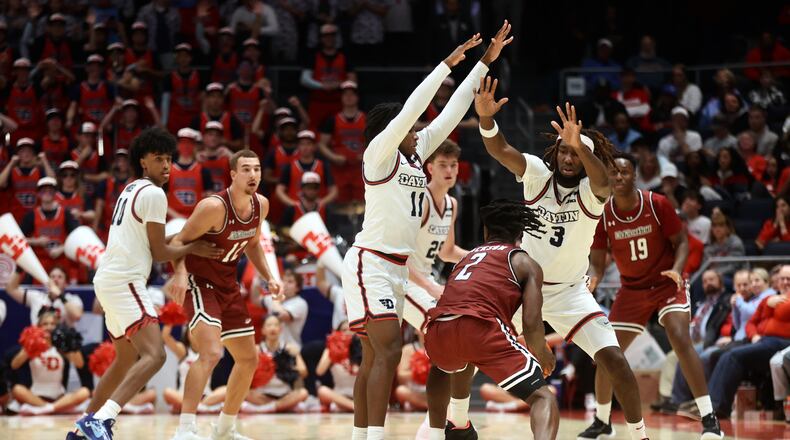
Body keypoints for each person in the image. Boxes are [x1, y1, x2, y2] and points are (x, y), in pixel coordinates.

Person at [341, 24, 507, 440]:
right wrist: (445, 64)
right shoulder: (378, 156)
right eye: (412, 131)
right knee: (389, 351)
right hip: (372, 263)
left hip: (401, 269)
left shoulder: (415, 158)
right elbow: (412, 111)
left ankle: (373, 435)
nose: (419, 134)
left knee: (379, 354)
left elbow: (452, 111)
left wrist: (485, 60)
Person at [476, 88, 648, 437]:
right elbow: (500, 149)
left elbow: (604, 182)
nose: (568, 159)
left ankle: (639, 434)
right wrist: (486, 119)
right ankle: (455, 420)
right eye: (564, 151)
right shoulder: (537, 175)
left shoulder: (591, 191)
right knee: (469, 346)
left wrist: (582, 145)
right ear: (555, 153)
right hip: (523, 289)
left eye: (575, 153)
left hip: (571, 292)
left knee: (614, 359)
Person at [70, 128, 222, 440]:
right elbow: (160, 253)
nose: (166, 166)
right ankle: (101, 420)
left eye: (169, 160)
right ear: (143, 161)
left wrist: (183, 240)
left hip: (108, 279)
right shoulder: (154, 194)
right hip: (125, 281)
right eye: (159, 160)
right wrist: (193, 248)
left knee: (125, 359)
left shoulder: (131, 189)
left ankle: (83, 430)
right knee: (156, 355)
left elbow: (149, 242)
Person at [589, 152, 723, 438]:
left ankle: (710, 419)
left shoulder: (656, 203)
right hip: (632, 289)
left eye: (624, 172)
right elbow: (597, 260)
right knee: (606, 352)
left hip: (666, 283)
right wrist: (592, 279)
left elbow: (683, 242)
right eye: (613, 173)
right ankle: (602, 421)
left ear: (635, 176)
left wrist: (676, 269)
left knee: (679, 335)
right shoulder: (604, 214)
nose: (619, 177)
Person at [167, 149, 282, 440]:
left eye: (256, 169)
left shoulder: (262, 206)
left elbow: (254, 243)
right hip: (200, 282)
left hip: (228, 286)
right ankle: (185, 429)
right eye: (246, 169)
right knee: (211, 353)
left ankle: (225, 428)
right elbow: (178, 241)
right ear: (232, 174)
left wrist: (268, 276)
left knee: (249, 359)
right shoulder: (213, 207)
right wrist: (180, 274)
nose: (253, 175)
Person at [424, 199, 558, 440]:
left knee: (445, 363)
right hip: (480, 327)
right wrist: (542, 352)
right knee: (543, 398)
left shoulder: (466, 258)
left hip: (437, 328)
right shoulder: (523, 261)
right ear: (520, 233)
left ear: (486, 231)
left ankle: (452, 428)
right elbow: (530, 322)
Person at [709, 265, 790, 418]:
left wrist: (768, 305)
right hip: (762, 341)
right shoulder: (769, 299)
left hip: (782, 342)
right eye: (782, 279)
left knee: (734, 356)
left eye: (788, 279)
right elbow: (751, 323)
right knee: (726, 354)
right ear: (777, 281)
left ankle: (717, 406)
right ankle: (713, 404)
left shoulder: (772, 299)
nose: (785, 282)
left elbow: (780, 315)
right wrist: (754, 336)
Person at [10, 308, 90, 416]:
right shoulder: (32, 345)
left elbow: (80, 364)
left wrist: (69, 345)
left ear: (57, 326)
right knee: (17, 389)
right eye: (45, 324)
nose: (49, 327)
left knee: (84, 392)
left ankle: (46, 409)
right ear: (39, 326)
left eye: (52, 324)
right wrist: (29, 346)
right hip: (36, 396)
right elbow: (14, 365)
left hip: (59, 397)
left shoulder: (61, 346)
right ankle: (56, 409)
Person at [241, 314, 308, 414]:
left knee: (303, 393)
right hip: (263, 394)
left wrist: (291, 362)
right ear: (263, 330)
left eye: (276, 325)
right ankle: (282, 407)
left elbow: (304, 372)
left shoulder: (290, 348)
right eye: (269, 325)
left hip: (285, 394)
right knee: (244, 392)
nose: (273, 328)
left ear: (280, 329)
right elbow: (243, 374)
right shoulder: (256, 350)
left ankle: (266, 408)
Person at [161, 323, 228, 414]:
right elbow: (165, 336)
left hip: (206, 396)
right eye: (192, 331)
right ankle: (203, 407)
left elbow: (224, 337)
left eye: (199, 331)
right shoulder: (183, 351)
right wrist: (171, 318)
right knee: (167, 392)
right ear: (187, 333)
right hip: (183, 395)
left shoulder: (210, 351)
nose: (195, 335)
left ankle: (196, 407)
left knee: (227, 389)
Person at [4, 267, 83, 326]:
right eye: (52, 277)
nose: (55, 279)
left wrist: (59, 295)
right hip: (38, 341)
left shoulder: (72, 299)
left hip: (62, 344)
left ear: (66, 283)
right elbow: (11, 289)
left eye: (60, 277)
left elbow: (77, 315)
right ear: (48, 281)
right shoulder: (36, 297)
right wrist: (19, 268)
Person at [260, 269, 309, 349]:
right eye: (283, 280)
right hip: (271, 348)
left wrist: (276, 295)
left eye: (290, 282)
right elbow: (255, 299)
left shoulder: (300, 303)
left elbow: (280, 315)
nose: (285, 284)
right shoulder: (272, 298)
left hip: (290, 348)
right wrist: (257, 280)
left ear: (297, 288)